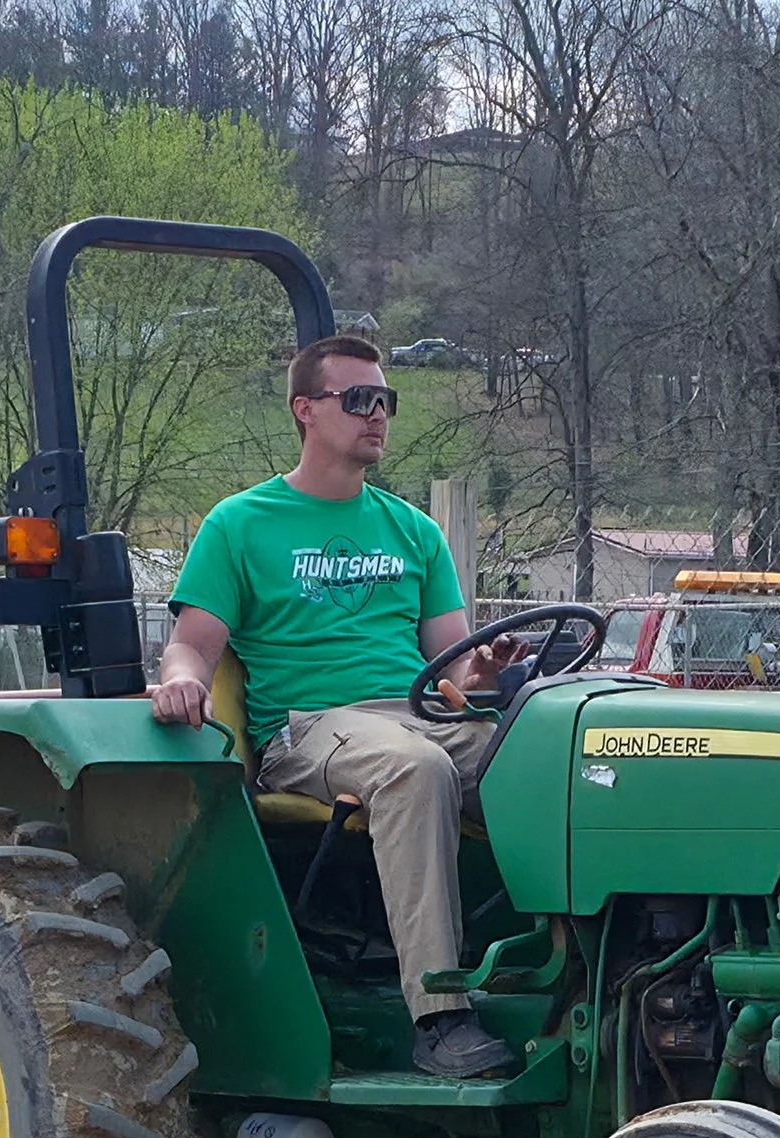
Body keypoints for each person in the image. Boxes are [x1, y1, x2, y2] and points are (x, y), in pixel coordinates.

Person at [150, 333, 515, 1079]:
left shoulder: (413, 530)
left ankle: (567, 971)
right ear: (306, 410)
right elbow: (191, 646)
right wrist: (181, 681)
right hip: (310, 727)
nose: (377, 414)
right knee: (415, 767)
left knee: (556, 756)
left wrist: (482, 669)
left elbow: (455, 664)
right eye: (358, 399)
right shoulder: (240, 524)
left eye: (385, 400)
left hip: (416, 712)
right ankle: (439, 1015)